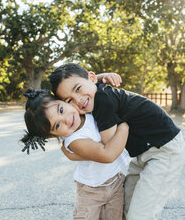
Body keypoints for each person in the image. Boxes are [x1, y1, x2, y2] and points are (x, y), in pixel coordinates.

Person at [48, 63, 185, 220]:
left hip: (165, 149)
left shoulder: (101, 100)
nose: (78, 100)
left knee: (140, 216)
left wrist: (76, 155)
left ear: (91, 78)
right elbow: (87, 82)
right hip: (144, 151)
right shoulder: (95, 92)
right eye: (69, 100)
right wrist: (100, 76)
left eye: (78, 89)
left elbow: (110, 149)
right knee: (126, 209)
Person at [21, 88, 130, 220]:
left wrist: (103, 76)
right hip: (92, 190)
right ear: (52, 135)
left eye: (61, 110)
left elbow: (85, 86)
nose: (66, 120)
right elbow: (105, 153)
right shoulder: (73, 140)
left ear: (64, 101)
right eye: (57, 125)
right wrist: (124, 127)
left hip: (116, 182)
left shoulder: (88, 110)